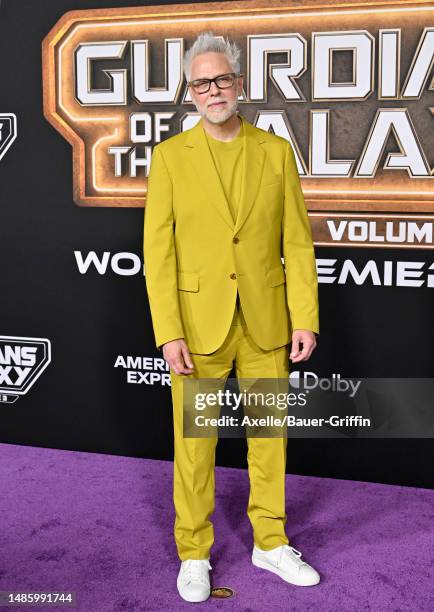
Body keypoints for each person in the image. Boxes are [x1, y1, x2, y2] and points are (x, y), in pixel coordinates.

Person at [143, 31, 320, 603]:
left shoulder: (275, 152)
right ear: (189, 93)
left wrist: (305, 317)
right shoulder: (170, 158)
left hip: (267, 321)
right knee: (195, 445)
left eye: (222, 79)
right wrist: (168, 331)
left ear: (240, 84)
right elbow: (158, 255)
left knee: (269, 438)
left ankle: (271, 542)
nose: (213, 90)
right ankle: (193, 552)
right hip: (198, 326)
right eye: (201, 83)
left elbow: (297, 242)